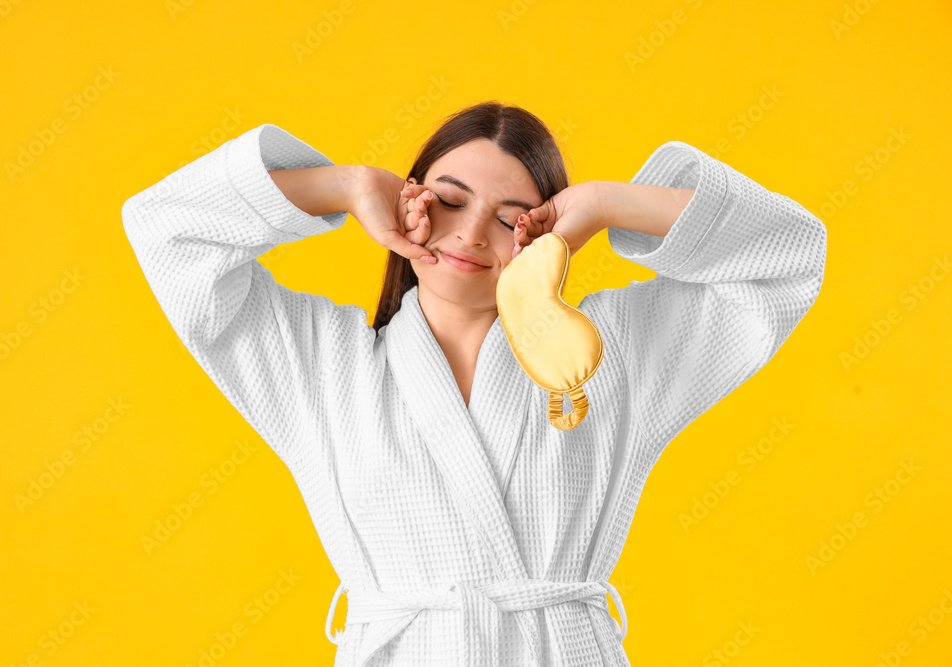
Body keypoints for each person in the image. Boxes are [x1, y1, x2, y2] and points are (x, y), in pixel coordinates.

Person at [121, 101, 827, 667]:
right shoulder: (320, 364)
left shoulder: (616, 356)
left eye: (510, 218)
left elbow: (788, 256)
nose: (469, 235)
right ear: (406, 204)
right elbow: (167, 230)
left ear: (543, 231)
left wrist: (609, 204)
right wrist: (343, 185)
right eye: (448, 201)